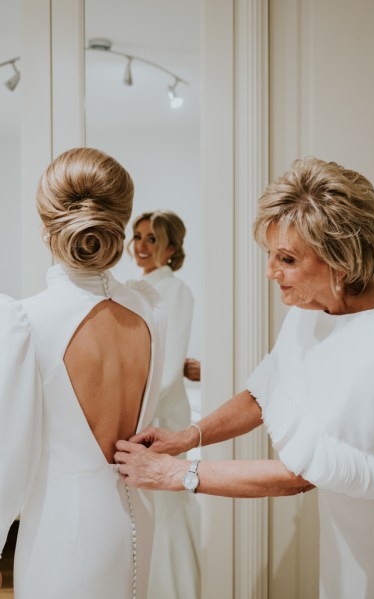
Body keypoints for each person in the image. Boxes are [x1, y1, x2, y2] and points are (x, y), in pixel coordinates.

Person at [115, 157, 374, 599]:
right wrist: (187, 436)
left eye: (285, 259)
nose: (270, 273)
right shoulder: (312, 308)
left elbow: (298, 476)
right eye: (270, 255)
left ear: (340, 263)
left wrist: (178, 474)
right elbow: (264, 392)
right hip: (342, 534)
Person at [0, 148, 166, 599]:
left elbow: (7, 465)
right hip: (135, 518)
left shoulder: (25, 322)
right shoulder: (148, 309)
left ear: (45, 224)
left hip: (63, 528)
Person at [126, 210, 201, 599]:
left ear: (170, 247)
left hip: (161, 413)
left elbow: (169, 366)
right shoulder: (129, 288)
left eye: (151, 239)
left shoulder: (177, 292)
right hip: (139, 410)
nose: (140, 245)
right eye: (137, 236)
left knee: (167, 505)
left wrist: (131, 405)